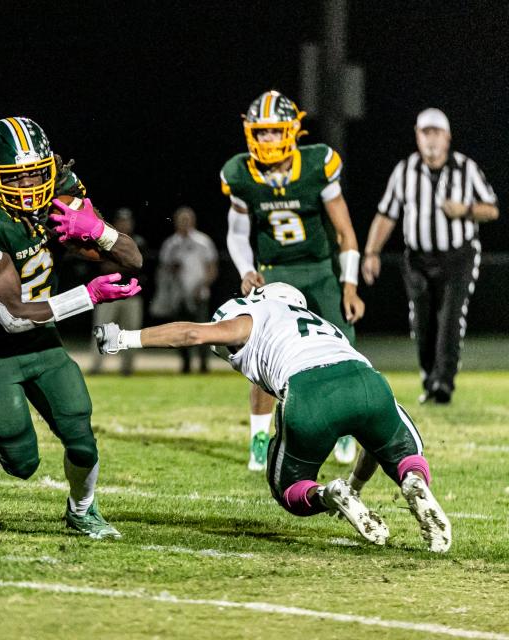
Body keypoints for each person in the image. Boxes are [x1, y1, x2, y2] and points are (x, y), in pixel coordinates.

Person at [94, 282, 452, 553]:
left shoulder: (255, 315)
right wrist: (357, 486)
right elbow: (372, 441)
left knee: (290, 489)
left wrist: (123, 338)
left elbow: (191, 334)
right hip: (367, 381)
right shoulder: (326, 327)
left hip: (308, 389)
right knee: (399, 449)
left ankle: (329, 493)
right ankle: (414, 480)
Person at [0, 116, 142, 538]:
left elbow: (131, 258)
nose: (31, 185)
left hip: (42, 339)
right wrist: (89, 296)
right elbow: (12, 315)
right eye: (18, 177)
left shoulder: (62, 190)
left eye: (38, 173)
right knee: (21, 463)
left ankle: (82, 510)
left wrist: (99, 230)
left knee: (82, 438)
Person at [221, 90, 364, 472]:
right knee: (263, 355)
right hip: (274, 271)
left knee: (344, 351)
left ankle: (346, 428)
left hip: (319, 271)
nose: (266, 140)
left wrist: (349, 286)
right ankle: (259, 436)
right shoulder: (241, 172)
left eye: (273, 132)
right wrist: (245, 271)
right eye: (260, 132)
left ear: (291, 131)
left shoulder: (317, 163)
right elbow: (237, 233)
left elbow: (345, 232)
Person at [362, 108, 499, 405]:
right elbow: (386, 214)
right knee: (422, 322)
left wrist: (465, 210)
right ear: (417, 136)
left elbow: (492, 208)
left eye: (437, 132)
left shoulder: (466, 168)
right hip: (418, 258)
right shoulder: (405, 171)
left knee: (450, 318)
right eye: (426, 133)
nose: (431, 139)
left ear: (447, 137)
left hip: (459, 256)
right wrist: (371, 252)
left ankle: (444, 384)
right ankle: (429, 376)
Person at [149, 206, 218, 373]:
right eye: (181, 220)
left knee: (203, 331)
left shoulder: (203, 241)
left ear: (193, 221)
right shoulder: (170, 244)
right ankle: (185, 365)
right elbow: (163, 270)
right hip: (178, 294)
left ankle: (203, 365)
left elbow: (212, 268)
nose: (185, 223)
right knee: (181, 331)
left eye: (187, 220)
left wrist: (202, 286)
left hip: (199, 294)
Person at [89, 207, 145, 375]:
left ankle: (127, 368)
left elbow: (139, 267)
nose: (124, 224)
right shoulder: (107, 240)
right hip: (108, 296)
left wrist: (119, 264)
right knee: (101, 331)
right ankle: (96, 366)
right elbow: (103, 266)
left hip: (132, 296)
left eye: (127, 221)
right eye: (121, 221)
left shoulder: (139, 241)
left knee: (131, 332)